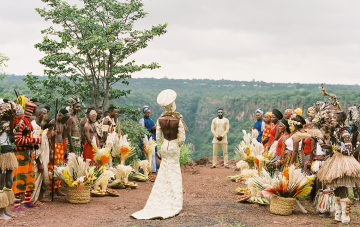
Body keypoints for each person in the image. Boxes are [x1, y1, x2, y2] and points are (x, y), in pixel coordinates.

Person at [131, 89, 187, 220]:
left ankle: (162, 196)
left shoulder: (160, 119)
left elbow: (158, 137)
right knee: (174, 172)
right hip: (173, 146)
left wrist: (163, 145)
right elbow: (182, 138)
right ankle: (174, 199)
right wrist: (176, 145)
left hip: (165, 146)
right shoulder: (178, 120)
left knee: (164, 172)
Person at [316, 85, 360, 224]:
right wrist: (326, 145)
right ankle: (338, 214)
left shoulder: (345, 133)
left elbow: (349, 151)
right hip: (335, 160)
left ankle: (345, 217)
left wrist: (332, 147)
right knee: (335, 189)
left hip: (344, 162)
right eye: (331, 116)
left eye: (334, 116)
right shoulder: (335, 132)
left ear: (341, 119)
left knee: (342, 189)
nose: (332, 118)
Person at [12, 96, 42, 212]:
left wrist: (33, 143)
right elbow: (18, 140)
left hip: (29, 154)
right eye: (29, 107)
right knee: (20, 178)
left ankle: (27, 201)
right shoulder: (20, 120)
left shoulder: (27, 121)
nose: (32, 110)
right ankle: (16, 205)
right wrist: (35, 141)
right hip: (21, 154)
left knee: (30, 177)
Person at [0, 99, 20, 218]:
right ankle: (1, 212)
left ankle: (5, 209)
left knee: (9, 182)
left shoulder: (8, 125)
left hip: (9, 153)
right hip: (2, 155)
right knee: (1, 184)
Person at [48, 109, 70, 196]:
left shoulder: (62, 123)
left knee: (60, 168)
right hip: (53, 147)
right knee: (52, 168)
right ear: (60, 115)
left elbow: (63, 137)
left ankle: (58, 189)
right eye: (64, 119)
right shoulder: (52, 123)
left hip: (60, 148)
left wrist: (64, 149)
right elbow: (48, 137)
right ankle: (51, 190)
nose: (65, 121)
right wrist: (50, 152)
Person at [30, 107, 47, 202]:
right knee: (33, 177)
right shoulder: (34, 127)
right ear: (39, 115)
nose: (46, 116)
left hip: (39, 158)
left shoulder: (40, 126)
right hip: (34, 159)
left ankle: (34, 198)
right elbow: (34, 147)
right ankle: (31, 199)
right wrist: (39, 162)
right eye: (44, 114)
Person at [139, 106, 157, 172]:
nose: (148, 114)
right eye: (147, 113)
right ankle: (143, 169)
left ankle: (151, 169)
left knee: (151, 154)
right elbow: (141, 130)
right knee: (145, 153)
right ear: (144, 113)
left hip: (151, 139)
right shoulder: (142, 120)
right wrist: (150, 129)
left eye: (149, 113)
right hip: (145, 140)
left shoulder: (151, 120)